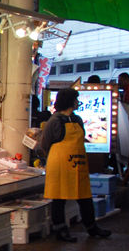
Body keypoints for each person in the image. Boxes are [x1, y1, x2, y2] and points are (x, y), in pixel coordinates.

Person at [37, 88, 111, 241]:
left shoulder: (77, 119)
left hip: (78, 163)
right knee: (59, 197)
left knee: (85, 196)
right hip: (60, 164)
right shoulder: (54, 120)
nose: (78, 102)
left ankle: (92, 227)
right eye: (76, 99)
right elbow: (45, 144)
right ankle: (60, 230)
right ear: (69, 101)